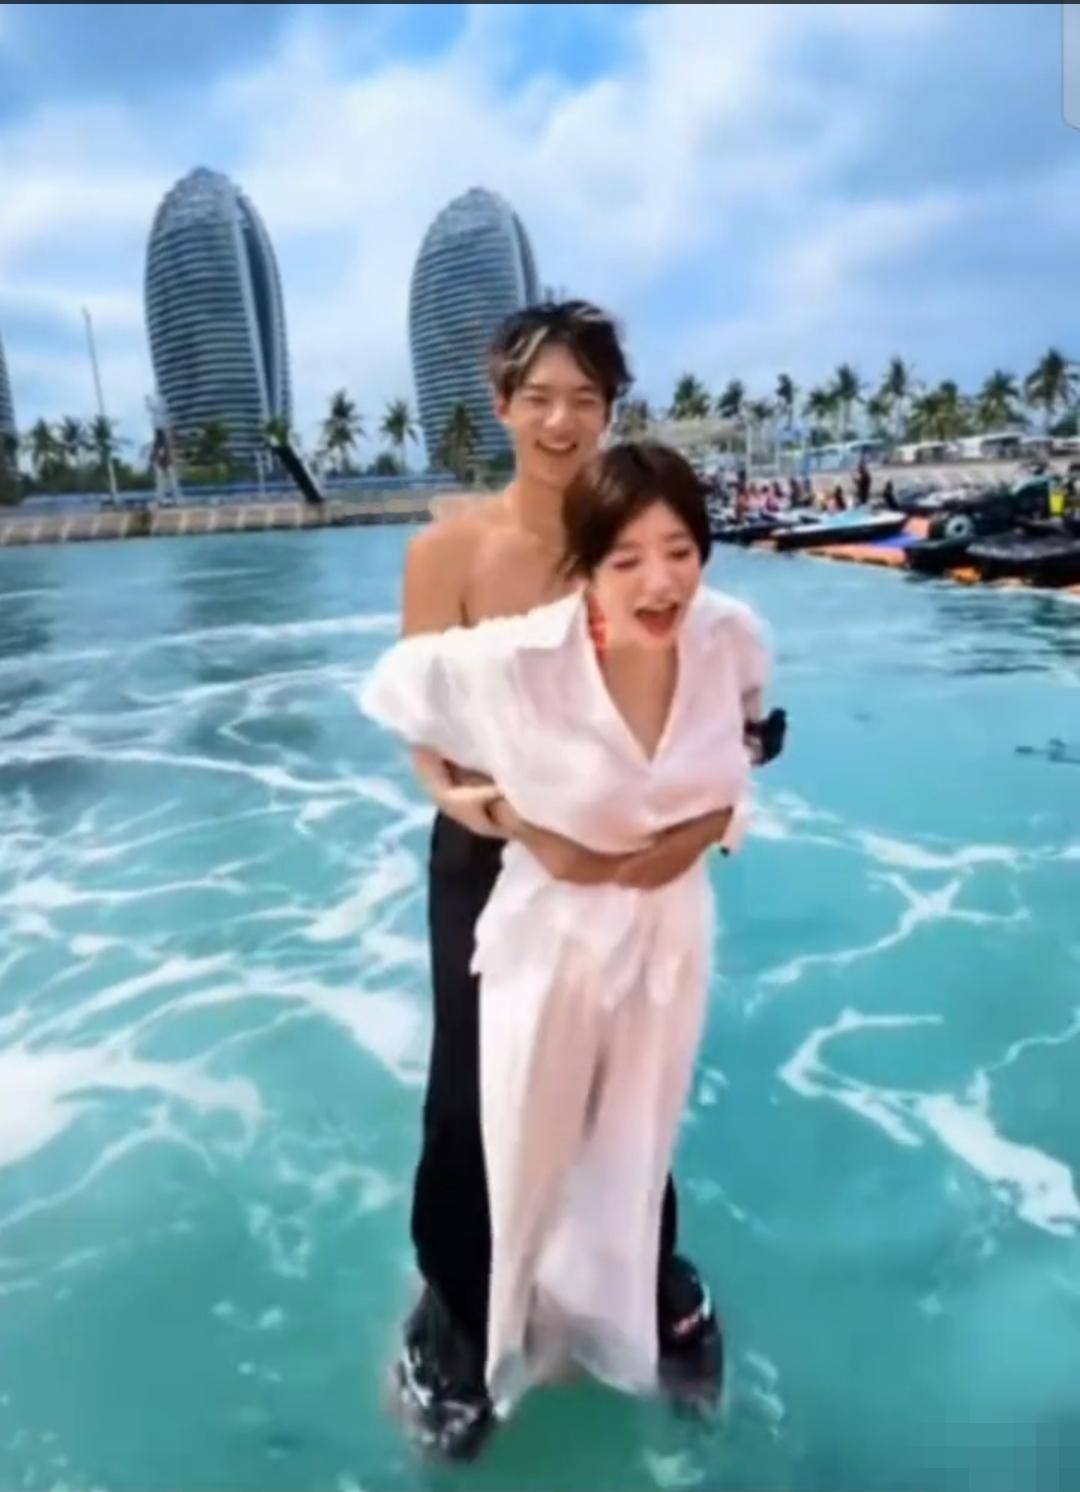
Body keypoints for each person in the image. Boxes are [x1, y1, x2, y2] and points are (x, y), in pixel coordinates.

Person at [362, 441, 781, 1426]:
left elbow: (744, 742)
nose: (659, 582)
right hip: (548, 943)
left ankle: (621, 1321)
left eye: (680, 552)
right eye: (626, 559)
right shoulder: (522, 659)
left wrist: (697, 831)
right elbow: (398, 691)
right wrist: (500, 813)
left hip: (667, 935)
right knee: (521, 1141)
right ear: (585, 569)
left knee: (637, 1133)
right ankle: (482, 1336)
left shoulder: (730, 637)